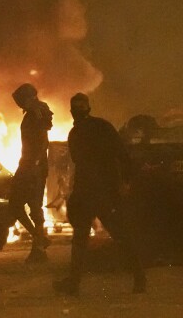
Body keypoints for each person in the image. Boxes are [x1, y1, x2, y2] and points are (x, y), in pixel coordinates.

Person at [53, 93, 146, 295]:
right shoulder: (103, 127)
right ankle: (139, 278)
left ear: (73, 112)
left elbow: (81, 163)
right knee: (120, 235)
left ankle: (74, 283)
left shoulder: (76, 134)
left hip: (90, 192)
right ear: (89, 109)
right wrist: (126, 182)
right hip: (105, 192)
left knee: (80, 240)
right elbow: (123, 155)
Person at [10, 83, 53, 263]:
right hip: (30, 164)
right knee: (20, 203)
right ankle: (39, 239)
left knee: (29, 204)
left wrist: (34, 164)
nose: (19, 105)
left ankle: (39, 247)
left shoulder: (36, 113)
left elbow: (43, 141)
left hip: (32, 165)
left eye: (20, 101)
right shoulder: (37, 111)